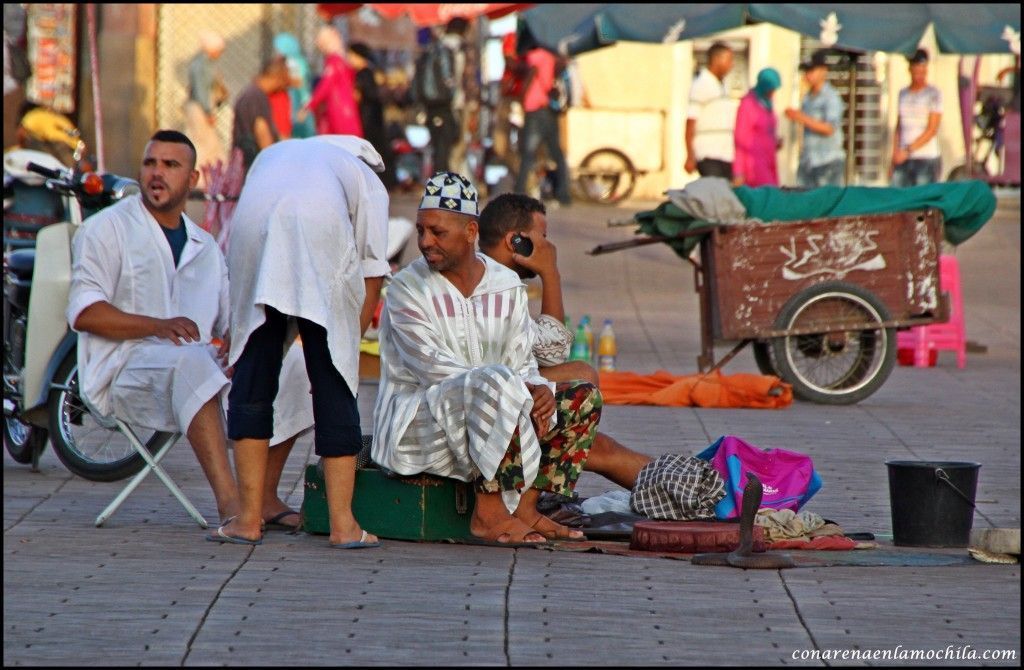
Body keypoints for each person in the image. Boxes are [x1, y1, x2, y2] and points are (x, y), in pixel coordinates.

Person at [372, 172, 602, 545]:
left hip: (498, 410)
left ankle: (526, 508)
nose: (425, 242)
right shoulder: (404, 289)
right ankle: (489, 513)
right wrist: (515, 388)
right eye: (421, 231)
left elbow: (522, 361)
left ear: (470, 231)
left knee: (581, 396)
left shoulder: (506, 285)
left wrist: (539, 389)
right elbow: (434, 369)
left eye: (437, 232)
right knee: (494, 381)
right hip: (421, 423)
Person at [220, 135, 390, 548]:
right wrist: (347, 345)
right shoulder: (364, 175)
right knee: (333, 380)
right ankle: (343, 525)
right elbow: (371, 267)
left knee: (253, 372)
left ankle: (246, 519)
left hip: (251, 231)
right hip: (319, 231)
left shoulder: (274, 155)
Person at [66, 130, 241, 524]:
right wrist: (158, 326)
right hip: (121, 372)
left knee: (289, 366)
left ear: (192, 179)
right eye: (150, 163)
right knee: (192, 365)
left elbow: (230, 320)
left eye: (170, 165)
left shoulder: (206, 246)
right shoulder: (107, 229)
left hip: (194, 369)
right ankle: (232, 506)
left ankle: (265, 499)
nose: (157, 173)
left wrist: (236, 340)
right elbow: (84, 313)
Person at [477, 193, 652, 489]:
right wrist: (550, 273)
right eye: (542, 237)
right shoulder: (495, 283)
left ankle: (682, 479)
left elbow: (546, 349)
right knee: (593, 426)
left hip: (505, 387)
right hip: (494, 400)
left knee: (595, 426)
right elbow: (554, 353)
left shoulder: (496, 276)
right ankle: (683, 483)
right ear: (515, 242)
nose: (549, 247)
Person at [513, 44, 572, 206]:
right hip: (547, 108)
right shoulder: (551, 55)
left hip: (535, 109)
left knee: (528, 153)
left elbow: (532, 73)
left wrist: (521, 97)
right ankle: (564, 194)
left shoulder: (537, 54)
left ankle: (519, 191)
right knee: (556, 153)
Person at [785, 49, 846, 188]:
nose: (807, 75)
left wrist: (801, 117)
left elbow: (829, 128)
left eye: (811, 71)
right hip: (809, 161)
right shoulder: (807, 98)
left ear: (823, 71)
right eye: (806, 71)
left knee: (828, 205)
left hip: (828, 162)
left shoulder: (831, 97)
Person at [415, 19, 468, 174]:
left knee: (438, 147)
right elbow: (458, 79)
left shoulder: (433, 48)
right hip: (450, 103)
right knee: (449, 146)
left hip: (431, 104)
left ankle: (443, 183)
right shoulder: (457, 48)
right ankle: (446, 184)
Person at [891, 49, 943, 187]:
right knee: (899, 200)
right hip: (903, 158)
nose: (919, 75)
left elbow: (932, 129)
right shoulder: (903, 93)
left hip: (925, 157)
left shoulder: (933, 94)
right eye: (916, 71)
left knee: (922, 201)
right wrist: (895, 153)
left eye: (922, 71)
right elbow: (899, 126)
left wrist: (908, 151)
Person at [299, 26, 362, 137]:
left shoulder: (334, 61)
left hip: (338, 112)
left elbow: (325, 86)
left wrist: (309, 106)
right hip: (347, 112)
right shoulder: (343, 61)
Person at [231, 55, 290, 173]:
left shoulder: (248, 92)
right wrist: (272, 164)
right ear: (277, 78)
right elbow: (261, 130)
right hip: (255, 164)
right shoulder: (257, 96)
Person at [349, 42, 396, 190]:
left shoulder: (364, 73)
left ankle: (383, 181)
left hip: (368, 118)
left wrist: (358, 93)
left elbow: (370, 94)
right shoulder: (370, 71)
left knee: (374, 150)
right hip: (373, 117)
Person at [685, 42, 735, 180]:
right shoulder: (701, 84)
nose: (732, 65)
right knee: (715, 195)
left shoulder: (723, 85)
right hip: (708, 153)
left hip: (726, 153)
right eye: (729, 60)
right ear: (717, 59)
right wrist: (690, 155)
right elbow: (690, 122)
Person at [184, 31, 228, 181]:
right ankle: (203, 177)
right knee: (203, 143)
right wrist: (208, 111)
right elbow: (200, 90)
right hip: (199, 109)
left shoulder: (204, 63)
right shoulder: (201, 65)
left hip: (200, 107)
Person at [733, 68, 782, 187]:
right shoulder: (748, 104)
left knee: (773, 193)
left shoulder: (767, 104)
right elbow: (740, 138)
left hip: (769, 160)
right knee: (765, 196)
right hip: (753, 163)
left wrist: (775, 141)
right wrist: (738, 171)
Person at [273, 32, 314, 139]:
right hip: (300, 103)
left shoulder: (293, 63)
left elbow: (298, 84)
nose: (277, 52)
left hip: (297, 103)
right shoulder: (300, 61)